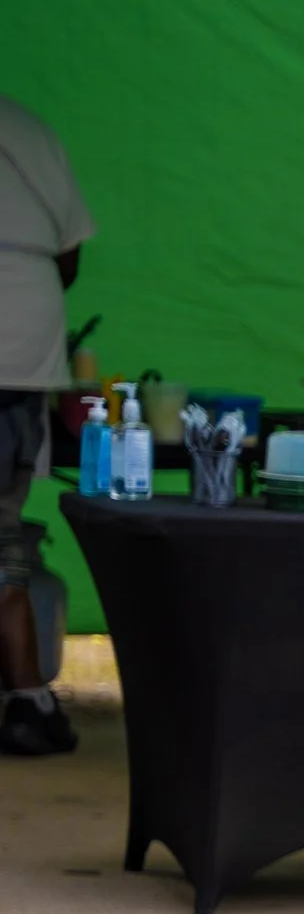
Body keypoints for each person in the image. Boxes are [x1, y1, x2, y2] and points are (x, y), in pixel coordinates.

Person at [0, 95, 92, 757]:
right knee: (4, 539)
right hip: (24, 354)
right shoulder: (32, 127)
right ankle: (29, 697)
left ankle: (28, 697)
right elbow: (69, 260)